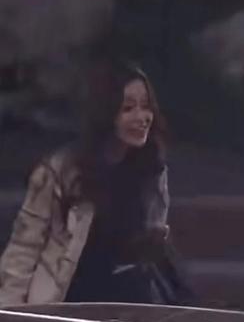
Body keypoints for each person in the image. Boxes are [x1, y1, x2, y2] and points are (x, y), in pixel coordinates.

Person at [0, 58, 189, 306]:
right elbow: (24, 248)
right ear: (105, 114)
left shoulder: (151, 168)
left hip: (133, 300)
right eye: (128, 108)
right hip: (73, 300)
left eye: (146, 107)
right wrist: (11, 314)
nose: (142, 117)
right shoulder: (61, 171)